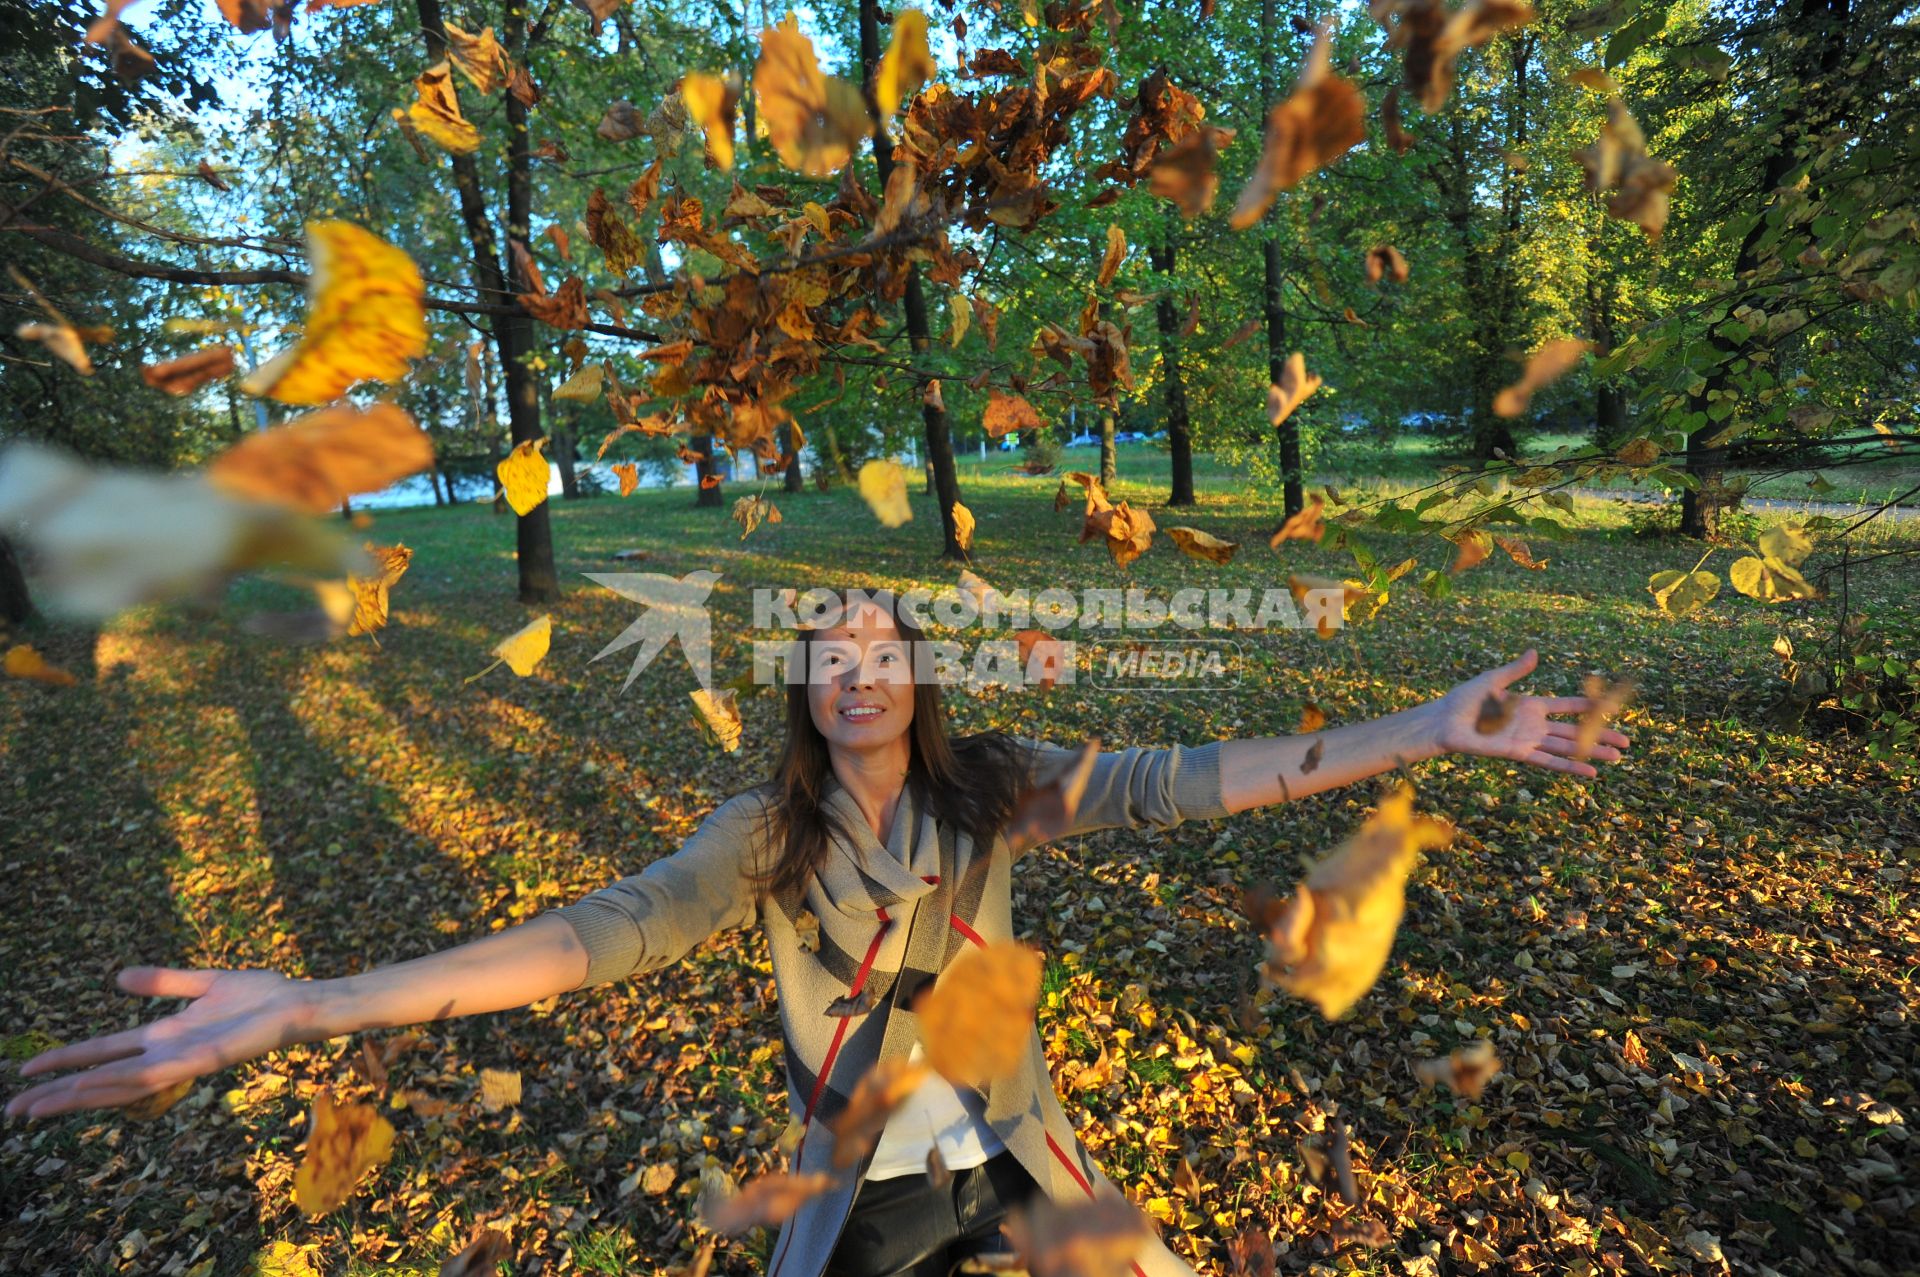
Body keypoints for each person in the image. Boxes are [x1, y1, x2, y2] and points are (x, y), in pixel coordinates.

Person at [5, 588, 1629, 1277]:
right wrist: (317, 1004)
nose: (857, 672)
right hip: (857, 1193)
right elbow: (589, 937)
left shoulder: (1002, 791)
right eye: (827, 655)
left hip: (1022, 1160)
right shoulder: (761, 839)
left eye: (882, 649)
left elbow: (1200, 778)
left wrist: (1428, 725)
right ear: (803, 689)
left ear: (919, 676)